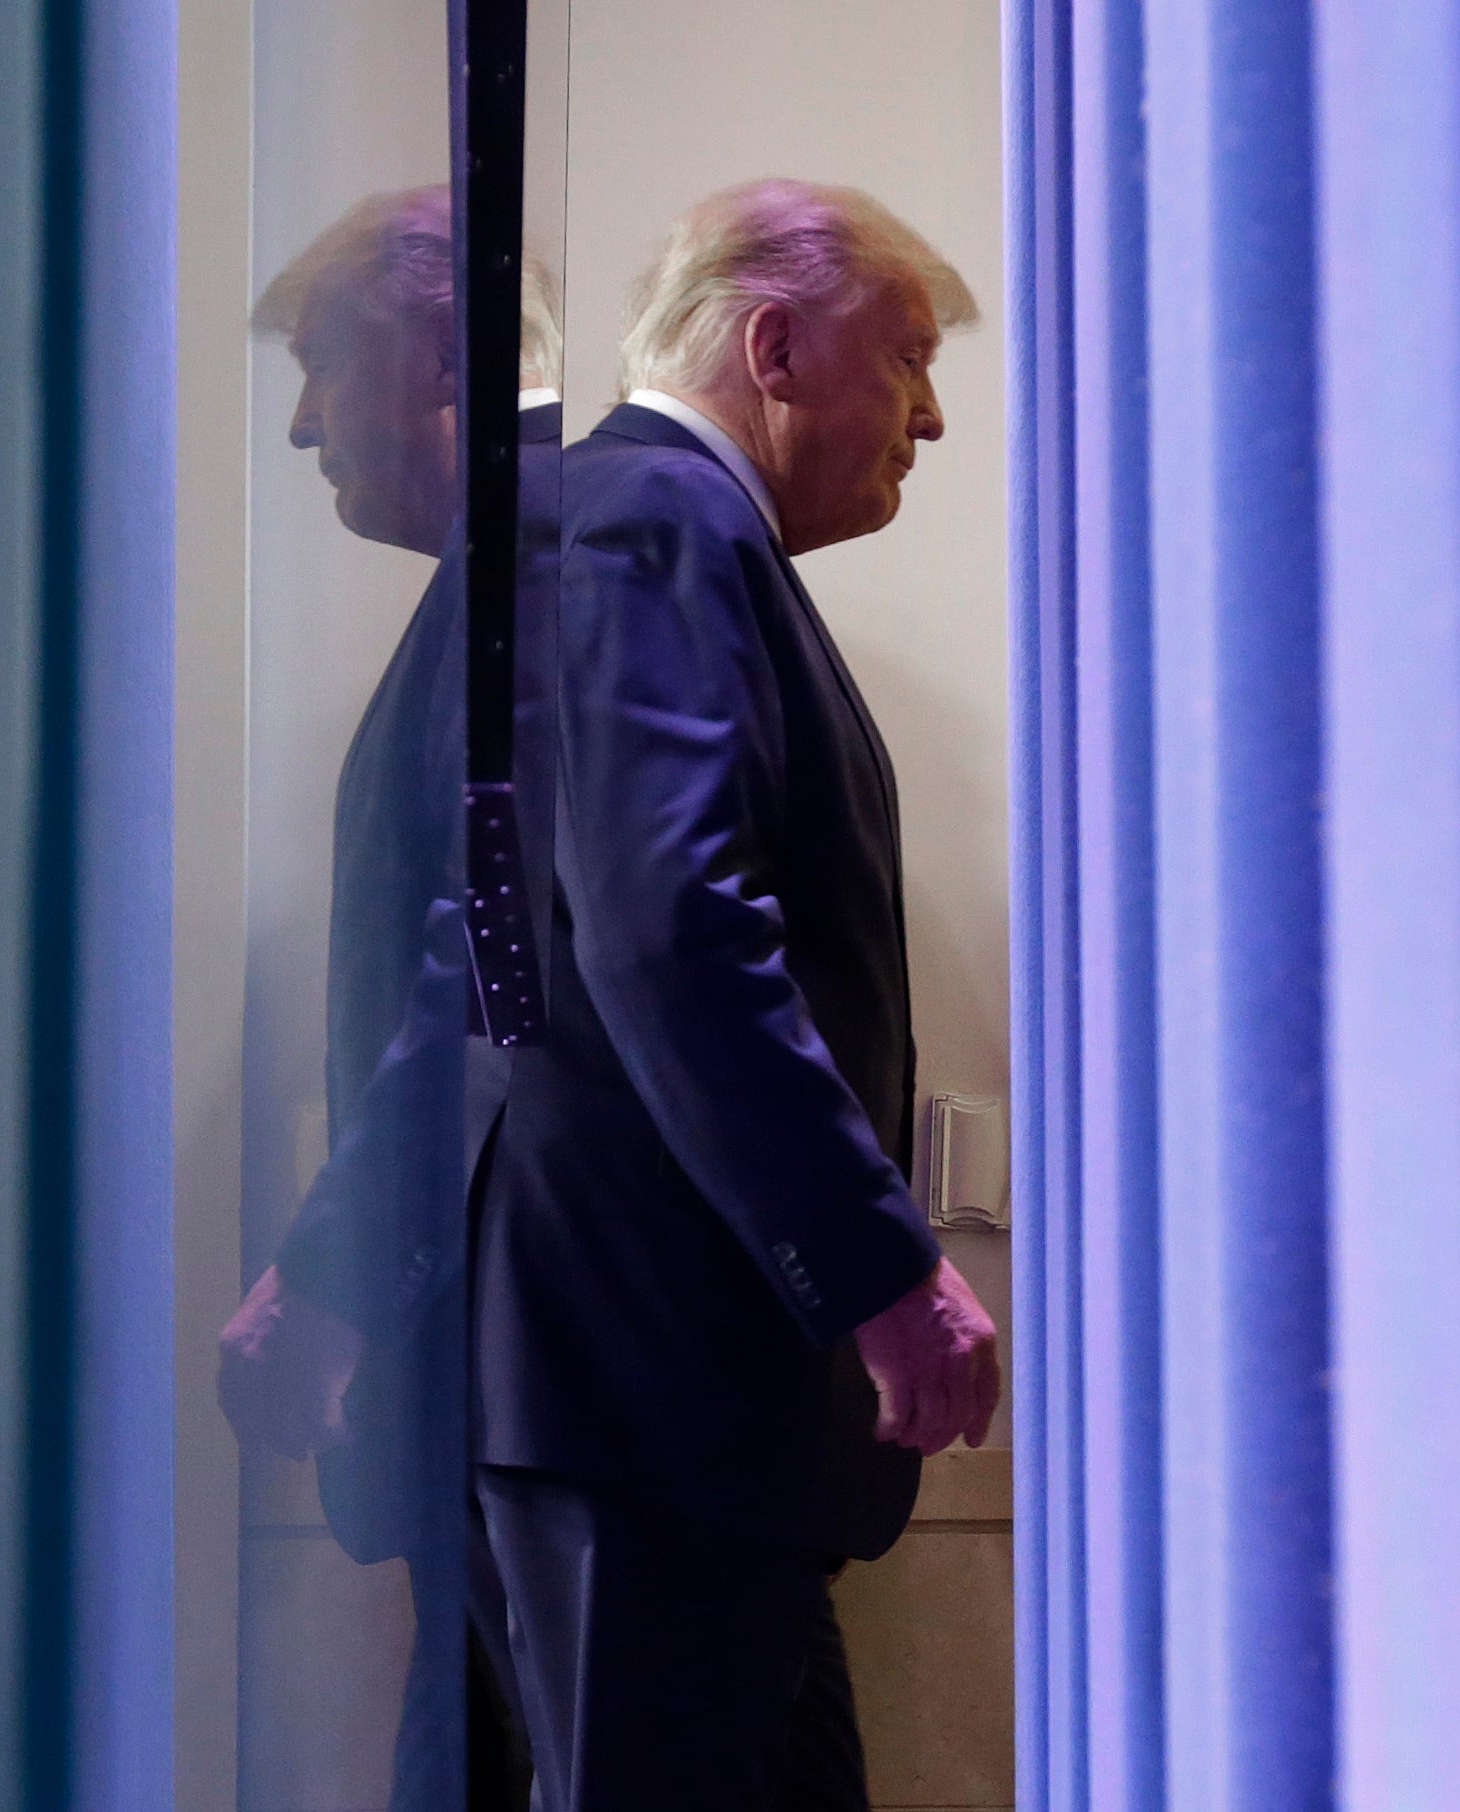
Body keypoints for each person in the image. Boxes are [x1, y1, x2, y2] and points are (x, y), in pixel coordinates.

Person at [473, 179, 1002, 1810]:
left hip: (677, 1402)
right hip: (657, 1389)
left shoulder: (662, 531)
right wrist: (879, 1272)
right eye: (906, 356)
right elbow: (671, 925)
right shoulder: (656, 516)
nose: (926, 414)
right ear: (772, 342)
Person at [216, 184, 556, 1812]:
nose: (298, 430)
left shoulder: (533, 578)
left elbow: (483, 984)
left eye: (315, 367)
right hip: (498, 1385)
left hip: (521, 1383)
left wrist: (327, 1276)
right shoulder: (500, 584)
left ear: (438, 354)